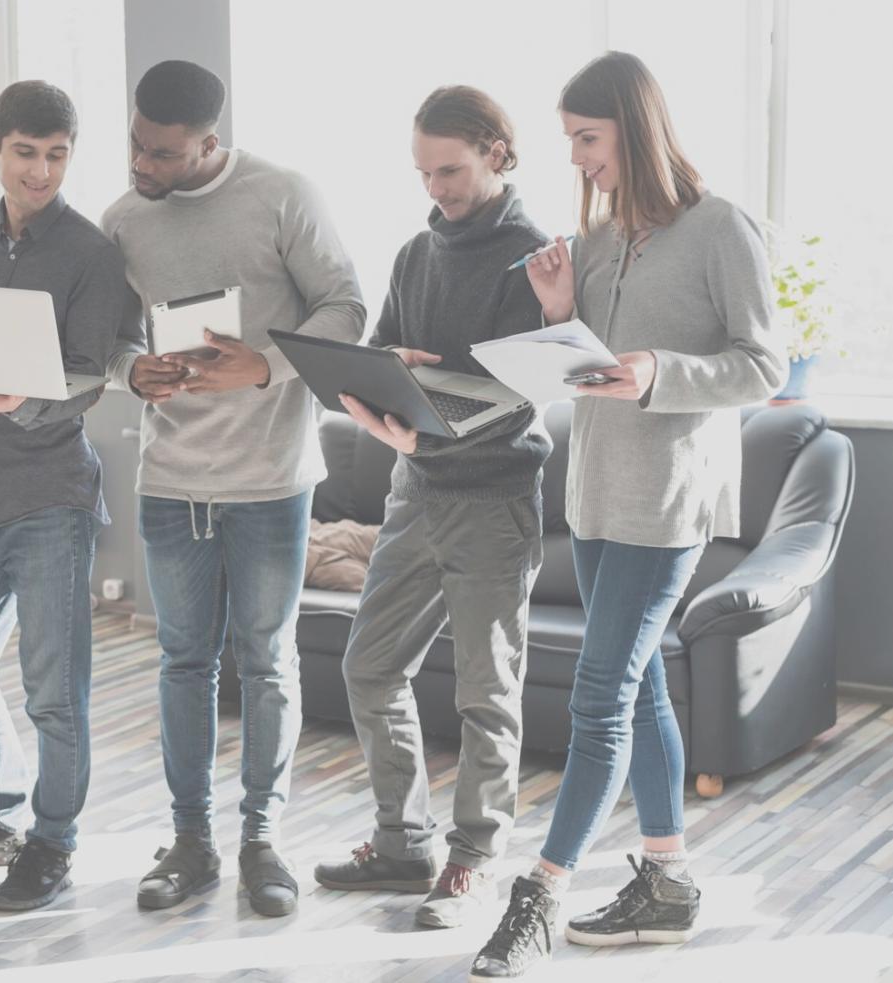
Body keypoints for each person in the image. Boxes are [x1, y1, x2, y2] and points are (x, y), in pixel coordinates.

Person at [470, 51, 787, 981]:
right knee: (638, 686)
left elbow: (761, 366)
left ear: (633, 129)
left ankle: (538, 893)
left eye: (586, 138)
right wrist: (562, 314)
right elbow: (589, 366)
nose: (573, 157)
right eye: (568, 139)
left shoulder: (721, 227)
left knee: (599, 693)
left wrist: (659, 372)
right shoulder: (599, 237)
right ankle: (666, 879)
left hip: (668, 497)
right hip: (597, 484)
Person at [103, 60, 366, 918]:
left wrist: (266, 363)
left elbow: (345, 307)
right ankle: (190, 840)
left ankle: (262, 840)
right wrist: (126, 370)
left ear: (209, 143)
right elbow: (102, 335)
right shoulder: (122, 218)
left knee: (265, 662)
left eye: (164, 154)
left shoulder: (282, 194)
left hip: (270, 480)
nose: (144, 165)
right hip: (170, 479)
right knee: (182, 662)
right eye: (137, 145)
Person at [311, 86, 551, 930]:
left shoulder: (536, 257)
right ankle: (401, 838)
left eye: (449, 169)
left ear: (496, 152)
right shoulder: (416, 251)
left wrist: (429, 418)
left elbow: (523, 394)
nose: (436, 188)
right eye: (422, 172)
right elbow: (381, 347)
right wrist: (381, 370)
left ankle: (474, 862)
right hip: (414, 492)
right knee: (369, 667)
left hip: (491, 500)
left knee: (487, 695)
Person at [0, 80, 142, 912]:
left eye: (55, 156)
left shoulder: (89, 251)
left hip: (51, 496)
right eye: (25, 153)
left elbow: (89, 369)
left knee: (54, 690)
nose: (40, 171)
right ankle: (1, 810)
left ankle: (52, 842)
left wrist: (21, 400)